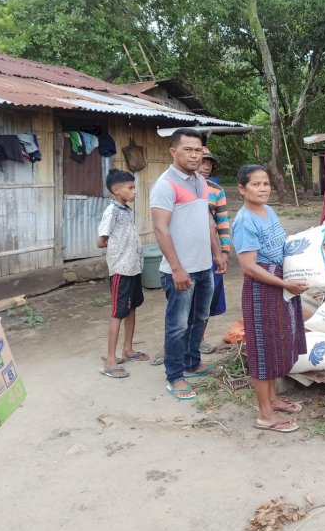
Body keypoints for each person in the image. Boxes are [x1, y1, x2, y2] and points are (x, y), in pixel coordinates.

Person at [150, 128, 227, 401]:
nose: (195, 155)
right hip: (179, 270)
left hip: (204, 266)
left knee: (200, 318)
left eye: (198, 150)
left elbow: (206, 219)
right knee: (177, 325)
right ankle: (175, 376)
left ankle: (192, 362)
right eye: (188, 150)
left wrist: (217, 253)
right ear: (173, 152)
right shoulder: (165, 184)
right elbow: (160, 229)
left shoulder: (200, 182)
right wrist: (177, 268)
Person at [232, 164, 309, 433]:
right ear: (242, 189)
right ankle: (265, 414)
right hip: (261, 290)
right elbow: (249, 267)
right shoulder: (244, 221)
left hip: (280, 284)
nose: (263, 188)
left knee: (278, 342)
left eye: (266, 183)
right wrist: (284, 283)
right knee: (263, 350)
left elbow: (282, 246)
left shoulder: (269, 211)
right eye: (256, 184)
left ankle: (273, 399)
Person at [96, 169, 148, 378]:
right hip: (120, 269)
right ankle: (110, 360)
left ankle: (128, 349)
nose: (135, 192)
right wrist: (117, 248)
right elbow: (101, 240)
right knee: (118, 312)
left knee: (132, 307)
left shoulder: (125, 209)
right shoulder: (112, 211)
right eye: (131, 188)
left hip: (134, 267)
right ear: (116, 190)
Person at [197, 146, 229, 354]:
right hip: (187, 253)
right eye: (203, 162)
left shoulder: (216, 191)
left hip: (212, 253)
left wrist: (224, 252)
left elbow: (223, 223)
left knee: (208, 298)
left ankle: (199, 339)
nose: (206, 167)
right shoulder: (178, 188)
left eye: (209, 163)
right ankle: (175, 343)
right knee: (183, 299)